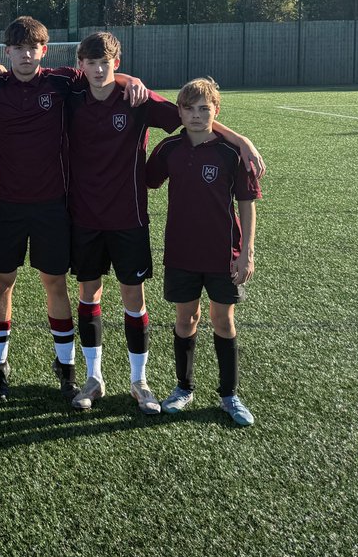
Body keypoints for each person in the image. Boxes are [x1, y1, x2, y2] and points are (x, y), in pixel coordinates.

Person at [0, 16, 144, 404]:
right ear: (5, 53)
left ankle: (67, 370)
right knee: (1, 284)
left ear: (45, 49)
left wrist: (130, 81)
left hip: (53, 207)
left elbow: (102, 76)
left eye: (33, 48)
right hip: (7, 206)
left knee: (55, 283)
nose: (26, 55)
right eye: (18, 48)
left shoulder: (62, 83)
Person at [65, 33, 264, 415]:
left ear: (117, 62)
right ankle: (94, 377)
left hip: (129, 218)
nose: (99, 68)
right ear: (81, 65)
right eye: (92, 62)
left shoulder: (137, 99)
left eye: (106, 61)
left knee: (133, 299)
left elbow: (192, 117)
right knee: (89, 295)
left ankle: (139, 382)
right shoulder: (71, 95)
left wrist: (240, 139)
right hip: (85, 216)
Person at [145, 77, 261, 426]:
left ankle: (229, 394)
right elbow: (144, 178)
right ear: (179, 111)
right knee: (186, 319)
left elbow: (247, 204)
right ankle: (184, 387)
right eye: (189, 109)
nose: (196, 115)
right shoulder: (169, 150)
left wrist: (247, 253)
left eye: (204, 109)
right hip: (181, 252)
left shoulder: (231, 153)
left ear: (216, 111)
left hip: (224, 254)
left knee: (223, 321)